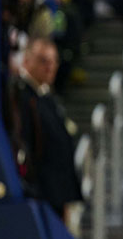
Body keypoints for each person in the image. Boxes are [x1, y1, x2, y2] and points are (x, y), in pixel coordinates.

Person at [5, 37, 82, 222]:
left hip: (56, 196)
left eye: (54, 61)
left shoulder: (46, 97)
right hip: (38, 198)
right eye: (43, 61)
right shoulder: (21, 97)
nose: (50, 67)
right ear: (26, 60)